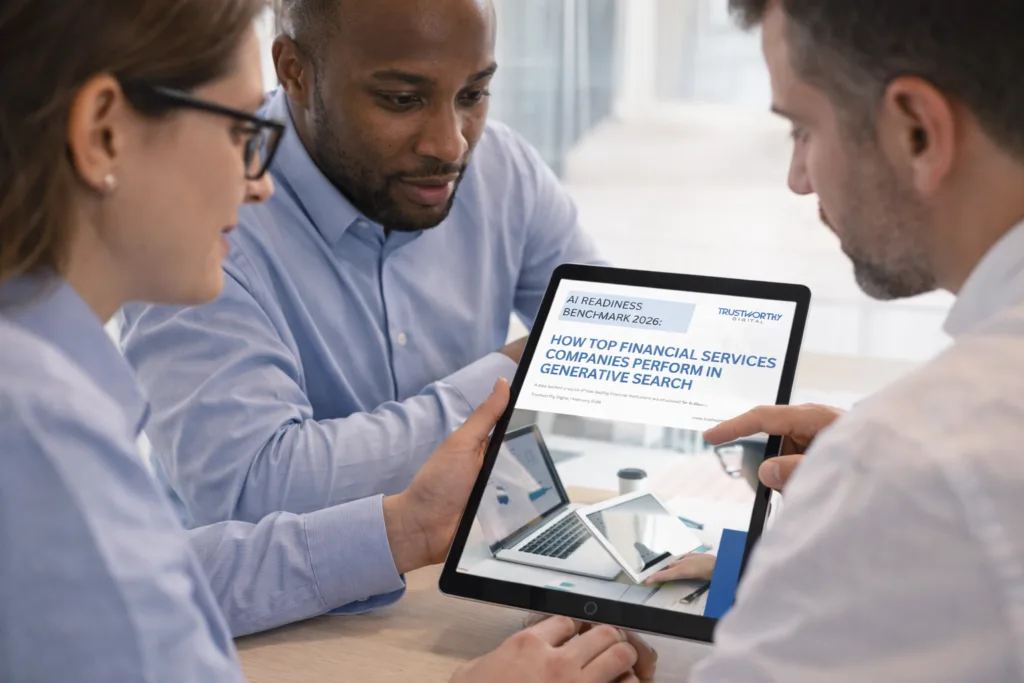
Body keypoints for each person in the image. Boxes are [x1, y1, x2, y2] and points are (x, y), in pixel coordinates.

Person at [0, 2, 656, 681]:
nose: (258, 180)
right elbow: (245, 497)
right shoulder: (40, 430)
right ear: (105, 135)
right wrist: (510, 379)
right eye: (238, 134)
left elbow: (162, 567)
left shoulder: (57, 400)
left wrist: (405, 527)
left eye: (474, 93)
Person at [117, 0, 605, 529]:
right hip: (265, 607)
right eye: (402, 99)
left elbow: (609, 325)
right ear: (294, 73)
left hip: (455, 560)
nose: (450, 143)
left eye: (473, 94)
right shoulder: (205, 213)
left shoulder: (504, 171)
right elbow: (253, 489)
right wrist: (510, 379)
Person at [687, 1, 1024, 680]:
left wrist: (872, 491)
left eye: (803, 129)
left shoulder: (915, 458)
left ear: (917, 131)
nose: (797, 179)